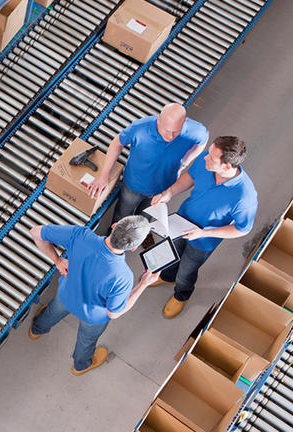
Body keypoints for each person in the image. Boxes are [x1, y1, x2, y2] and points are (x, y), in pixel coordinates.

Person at [27, 216, 159, 375]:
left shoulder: (80, 235)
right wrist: (143, 284)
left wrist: (57, 260)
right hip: (93, 316)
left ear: (114, 225)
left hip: (66, 294)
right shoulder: (123, 276)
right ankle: (80, 366)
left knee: (52, 312)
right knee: (86, 340)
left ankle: (37, 330)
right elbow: (114, 312)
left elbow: (35, 232)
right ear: (133, 247)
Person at [150, 136, 258, 318]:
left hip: (203, 240)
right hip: (180, 221)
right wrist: (169, 193)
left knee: (187, 270)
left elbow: (242, 229)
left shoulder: (244, 198)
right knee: (170, 252)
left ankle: (181, 294)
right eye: (209, 153)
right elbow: (189, 178)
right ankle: (167, 277)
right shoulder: (206, 161)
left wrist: (203, 233)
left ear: (226, 166)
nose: (205, 157)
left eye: (212, 158)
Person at [87, 103, 209, 227]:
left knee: (144, 220)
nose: (170, 136)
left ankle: (137, 239)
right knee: (122, 216)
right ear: (159, 120)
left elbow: (202, 141)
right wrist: (104, 175)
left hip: (162, 190)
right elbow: (116, 143)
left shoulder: (195, 131)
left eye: (176, 131)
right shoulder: (140, 128)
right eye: (167, 130)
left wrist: (184, 162)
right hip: (133, 186)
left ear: (184, 122)